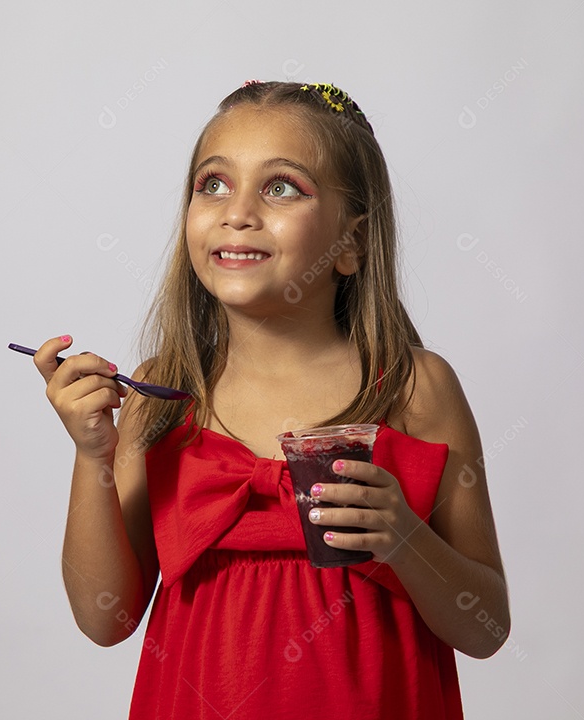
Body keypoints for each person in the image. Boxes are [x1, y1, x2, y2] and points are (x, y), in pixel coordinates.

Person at [34, 80, 509, 719]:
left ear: (352, 241)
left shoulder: (415, 388)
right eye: (213, 184)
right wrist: (92, 454)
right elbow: (104, 619)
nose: (237, 212)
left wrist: (403, 538)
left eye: (281, 187)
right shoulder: (161, 396)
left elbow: (486, 629)